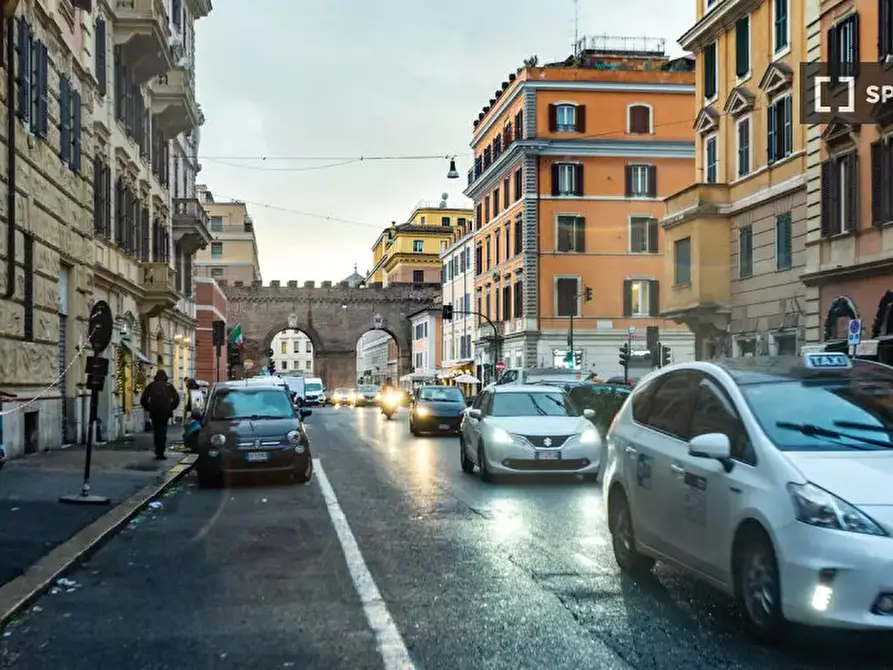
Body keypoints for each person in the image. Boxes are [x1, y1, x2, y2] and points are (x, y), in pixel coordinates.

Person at [140, 370, 180, 460]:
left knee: (157, 431)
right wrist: (171, 407)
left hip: (154, 412)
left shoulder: (151, 386)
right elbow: (176, 399)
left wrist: (149, 408)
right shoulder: (169, 386)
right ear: (165, 377)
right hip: (165, 412)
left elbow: (143, 399)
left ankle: (158, 450)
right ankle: (161, 451)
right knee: (163, 431)